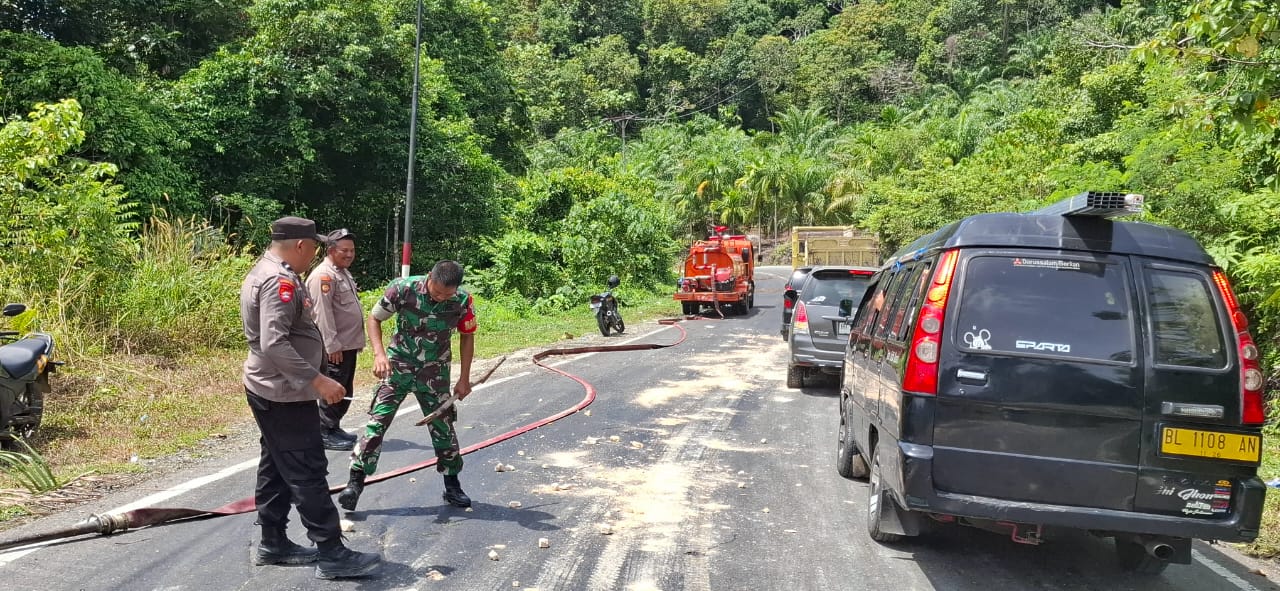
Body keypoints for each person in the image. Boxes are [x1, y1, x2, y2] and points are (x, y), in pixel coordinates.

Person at [240, 216, 381, 579]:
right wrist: (318, 381)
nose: (315, 253)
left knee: (276, 464)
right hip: (283, 392)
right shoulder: (279, 281)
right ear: (301, 245)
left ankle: (273, 541)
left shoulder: (270, 270)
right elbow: (274, 342)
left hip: (273, 388)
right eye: (314, 247)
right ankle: (332, 552)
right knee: (307, 468)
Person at [338, 260, 476, 511]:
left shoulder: (463, 300)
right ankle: (354, 482)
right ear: (429, 278)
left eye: (448, 294)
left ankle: (452, 485)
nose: (442, 298)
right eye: (437, 292)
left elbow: (468, 336)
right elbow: (374, 318)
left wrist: (464, 378)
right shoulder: (402, 289)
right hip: (398, 367)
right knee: (377, 423)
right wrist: (379, 355)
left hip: (435, 373)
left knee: (443, 426)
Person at [305, 228, 364, 451]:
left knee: (344, 389)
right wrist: (331, 345)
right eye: (344, 250)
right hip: (334, 348)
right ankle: (324, 431)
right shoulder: (324, 276)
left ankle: (333, 426)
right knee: (333, 387)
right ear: (330, 250)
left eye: (352, 250)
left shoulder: (342, 272)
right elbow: (322, 314)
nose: (349, 254)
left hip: (347, 345)